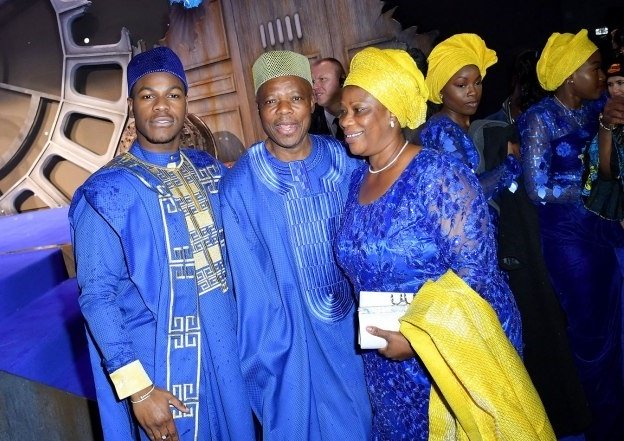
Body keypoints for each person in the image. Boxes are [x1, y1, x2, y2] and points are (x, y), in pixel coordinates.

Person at [335, 46, 548, 440]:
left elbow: (477, 277)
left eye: (358, 110)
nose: (345, 121)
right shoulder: (355, 180)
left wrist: (418, 339)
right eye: (343, 111)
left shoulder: (438, 175)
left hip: (447, 359)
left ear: (393, 112)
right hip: (385, 361)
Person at [68, 46, 254, 441]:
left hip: (227, 356)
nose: (161, 106)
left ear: (186, 101)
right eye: (147, 95)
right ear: (131, 106)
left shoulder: (210, 171)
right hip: (161, 364)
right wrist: (139, 390)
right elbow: (97, 296)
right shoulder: (107, 192)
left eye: (173, 94)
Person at [220, 50, 371, 440]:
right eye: (271, 101)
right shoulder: (240, 185)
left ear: (312, 102)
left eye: (296, 98)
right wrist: (274, 358)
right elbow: (251, 289)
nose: (284, 111)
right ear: (257, 108)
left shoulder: (345, 162)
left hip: (356, 340)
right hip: (289, 349)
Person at [518, 29, 624, 441]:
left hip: (606, 228)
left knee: (616, 322)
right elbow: (537, 189)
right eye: (594, 68)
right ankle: (597, 423)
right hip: (569, 240)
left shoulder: (598, 109)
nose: (602, 76)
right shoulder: (539, 118)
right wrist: (590, 187)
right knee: (589, 331)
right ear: (569, 76)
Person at [418, 33, 521, 206]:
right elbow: (464, 194)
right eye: (461, 85)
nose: (473, 91)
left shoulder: (467, 125)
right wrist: (510, 164)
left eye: (477, 82)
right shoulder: (441, 129)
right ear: (441, 90)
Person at [582, 54, 624, 220]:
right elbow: (604, 171)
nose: (615, 90)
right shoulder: (606, 117)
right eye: (610, 84)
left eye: (620, 83)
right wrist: (606, 127)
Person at [309, 57, 346, 140]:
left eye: (322, 79)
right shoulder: (309, 120)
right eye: (313, 81)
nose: (314, 87)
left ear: (342, 81)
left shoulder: (361, 112)